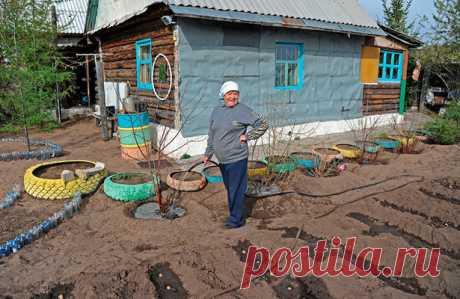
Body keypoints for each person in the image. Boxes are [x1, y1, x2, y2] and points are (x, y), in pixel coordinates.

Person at [203, 81, 268, 229]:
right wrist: (208, 153)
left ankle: (236, 220)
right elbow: (212, 133)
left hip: (237, 158)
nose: (232, 97)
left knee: (236, 189)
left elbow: (262, 124)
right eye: (229, 94)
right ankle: (236, 213)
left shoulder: (242, 110)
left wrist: (248, 136)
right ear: (223, 95)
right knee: (231, 188)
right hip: (222, 160)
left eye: (235, 94)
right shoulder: (217, 111)